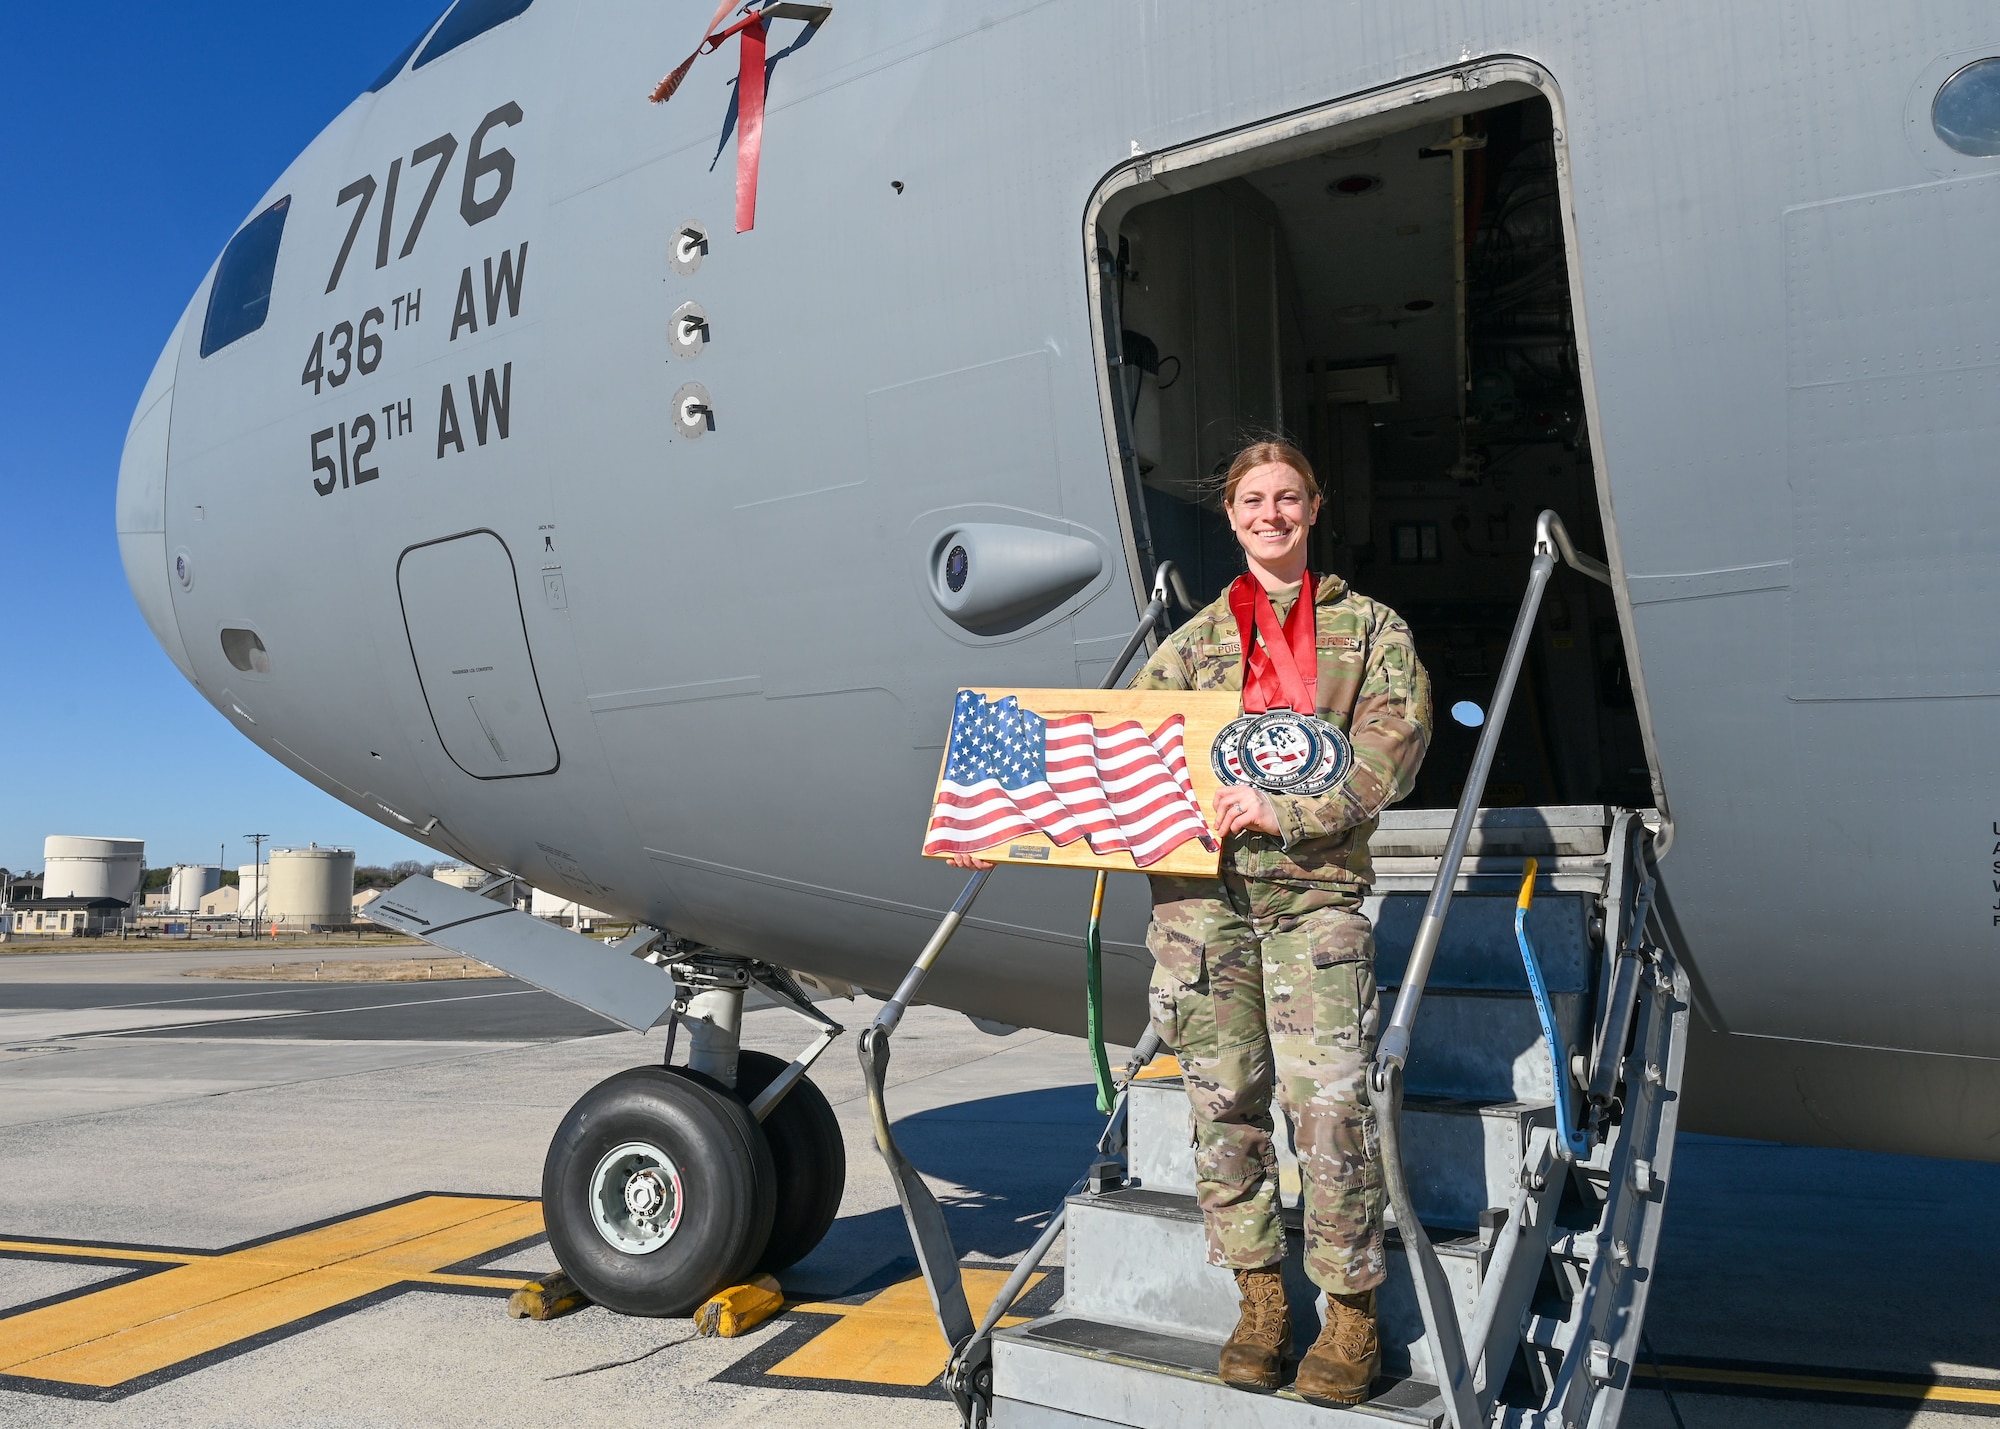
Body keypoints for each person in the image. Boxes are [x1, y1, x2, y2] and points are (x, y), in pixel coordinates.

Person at [1132, 440, 1429, 1403]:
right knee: (1224, 1108)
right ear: (1229, 515)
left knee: (1332, 1108)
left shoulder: (1369, 630)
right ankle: (1262, 1304)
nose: (1272, 512)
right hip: (1204, 907)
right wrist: (1027, 821)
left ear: (1313, 508)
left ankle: (1350, 1315)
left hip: (1312, 897)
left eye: (1288, 497)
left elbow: (1395, 746)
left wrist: (1289, 811)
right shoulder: (1187, 651)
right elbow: (1128, 769)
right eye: (1254, 499)